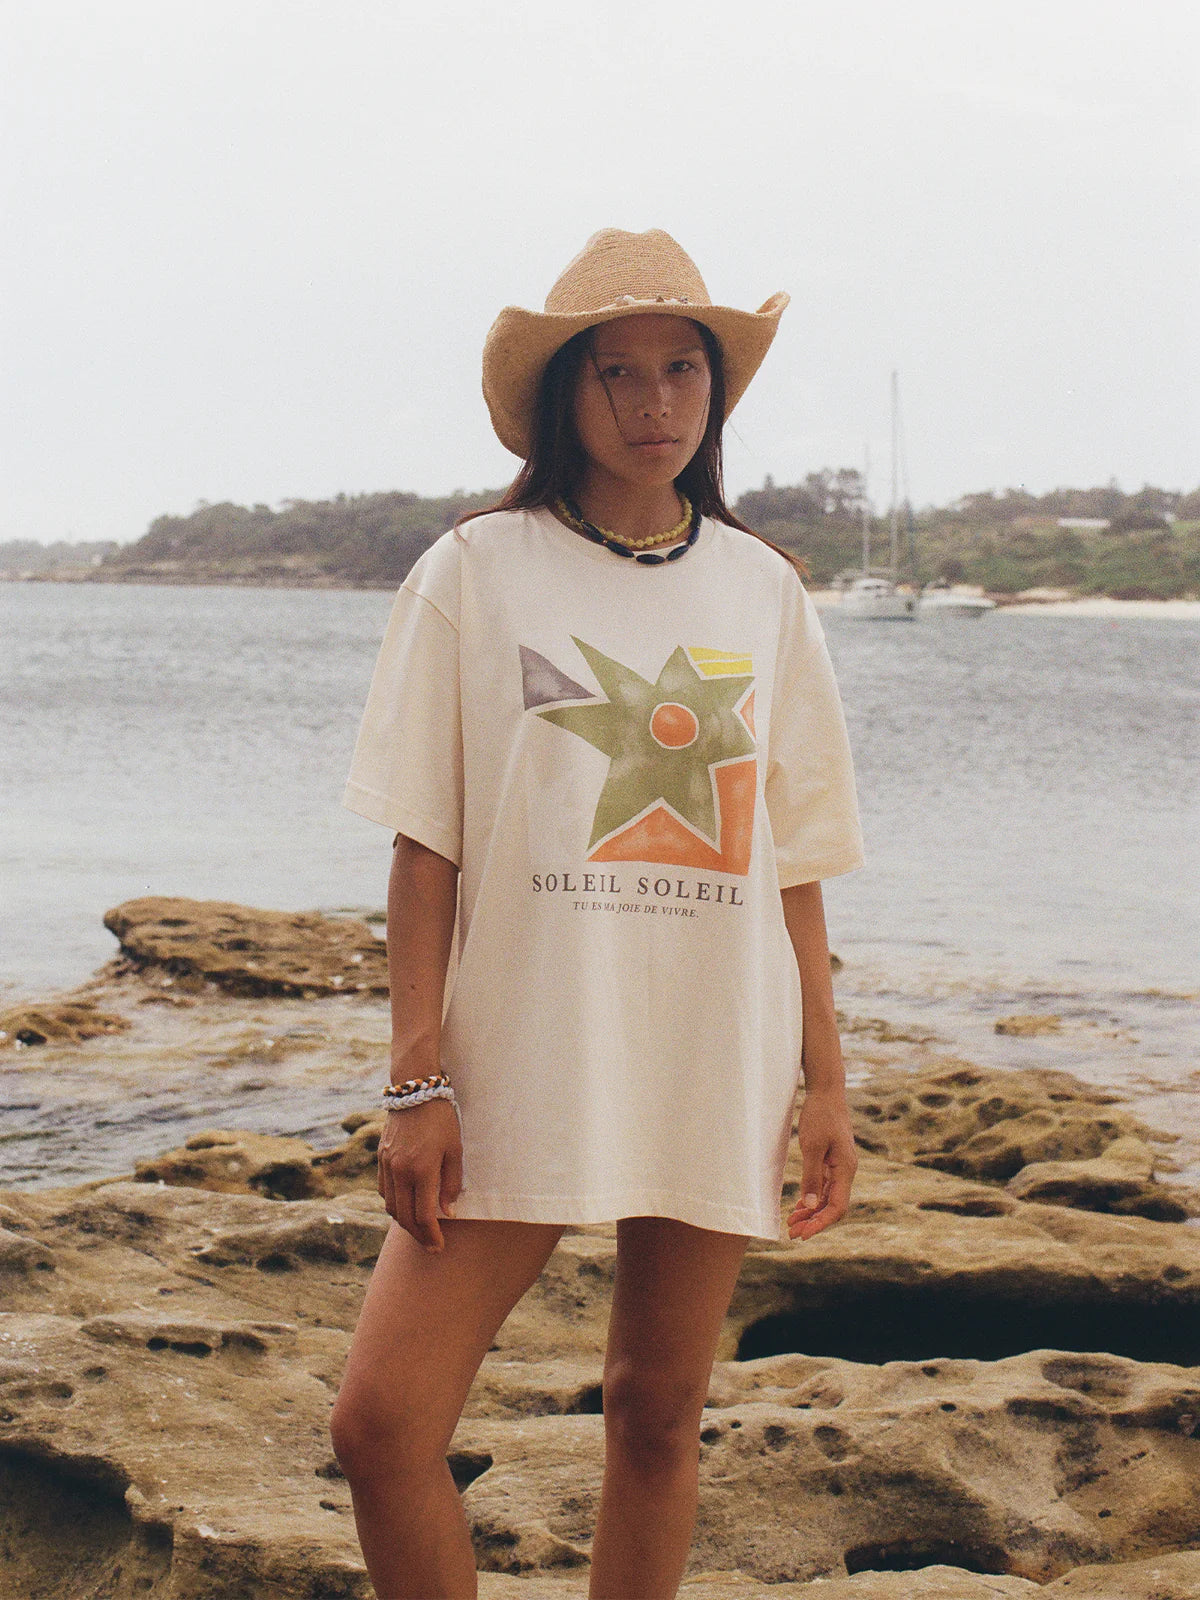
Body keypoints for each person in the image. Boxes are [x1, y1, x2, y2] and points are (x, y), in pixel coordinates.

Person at [330, 227, 864, 1600]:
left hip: (712, 1046)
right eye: (616, 371)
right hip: (522, 1050)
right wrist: (416, 1079)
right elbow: (425, 846)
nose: (652, 403)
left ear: (715, 392)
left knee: (657, 1410)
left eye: (682, 369)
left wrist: (828, 1083)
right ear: (563, 392)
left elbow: (793, 862)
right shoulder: (474, 570)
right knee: (381, 1427)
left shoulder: (764, 588)